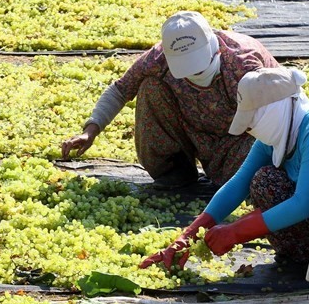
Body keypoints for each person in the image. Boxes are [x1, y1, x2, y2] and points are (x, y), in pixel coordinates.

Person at [139, 66, 309, 270]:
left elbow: (304, 203)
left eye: (253, 119)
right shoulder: (271, 140)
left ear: (274, 109)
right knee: (263, 180)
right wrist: (188, 236)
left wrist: (236, 232)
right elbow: (237, 185)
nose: (250, 128)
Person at [60, 11, 279, 189]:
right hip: (195, 131)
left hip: (241, 140)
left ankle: (237, 181)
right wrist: (91, 129)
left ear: (212, 45)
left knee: (248, 181)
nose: (194, 74)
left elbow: (281, 116)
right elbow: (120, 90)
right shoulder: (158, 58)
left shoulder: (242, 62)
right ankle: (174, 172)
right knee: (150, 87)